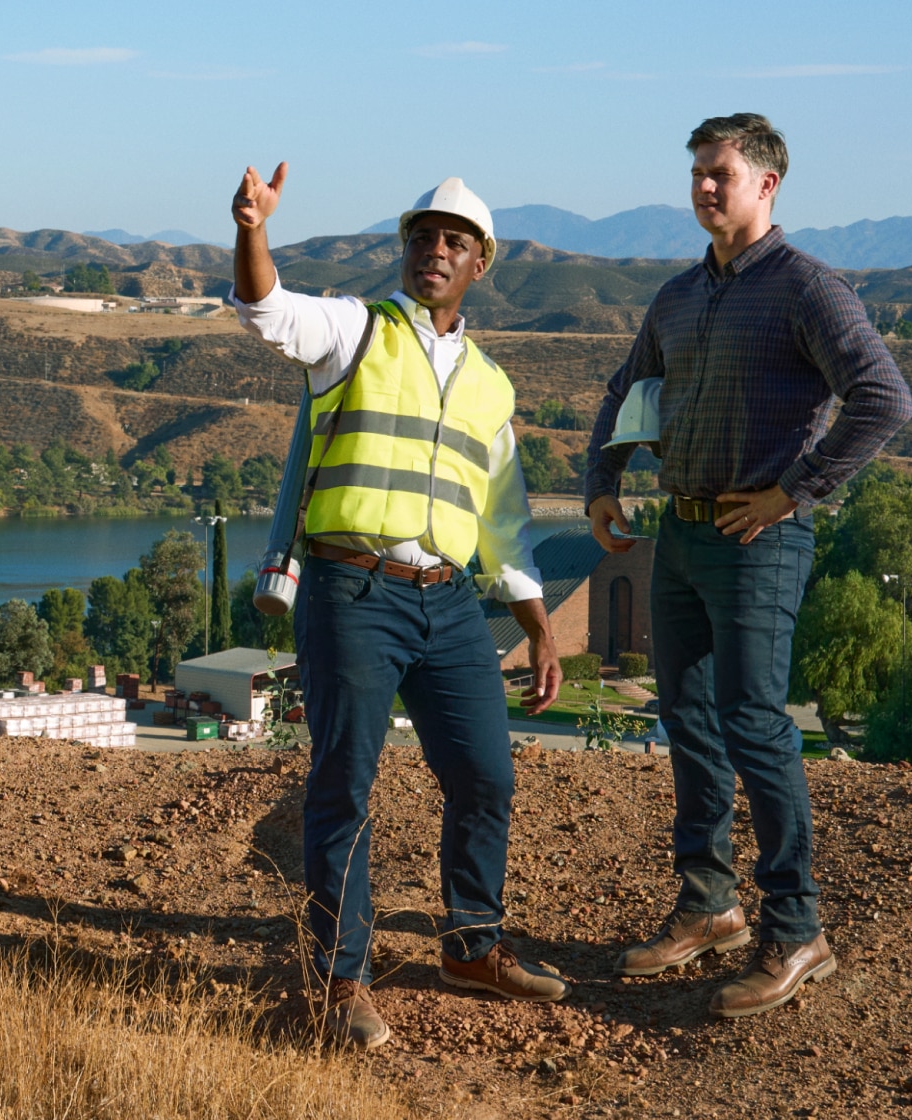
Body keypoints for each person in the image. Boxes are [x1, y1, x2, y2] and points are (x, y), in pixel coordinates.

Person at [230, 163, 568, 1050]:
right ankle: (341, 981)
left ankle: (471, 944)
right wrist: (252, 228)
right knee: (346, 783)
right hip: (353, 591)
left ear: (480, 264)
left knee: (486, 775)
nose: (436, 251)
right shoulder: (355, 331)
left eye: (455, 241)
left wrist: (535, 625)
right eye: (424, 237)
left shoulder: (491, 385)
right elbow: (268, 309)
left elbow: (503, 516)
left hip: (449, 602)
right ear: (406, 250)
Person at [583, 114, 912, 1018]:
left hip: (760, 539)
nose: (701, 187)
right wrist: (600, 480)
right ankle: (709, 904)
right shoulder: (680, 295)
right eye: (695, 172)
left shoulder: (809, 288)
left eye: (718, 173)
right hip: (682, 536)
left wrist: (794, 492)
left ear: (767, 184)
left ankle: (797, 929)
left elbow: (884, 398)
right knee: (686, 716)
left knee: (754, 724)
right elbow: (628, 388)